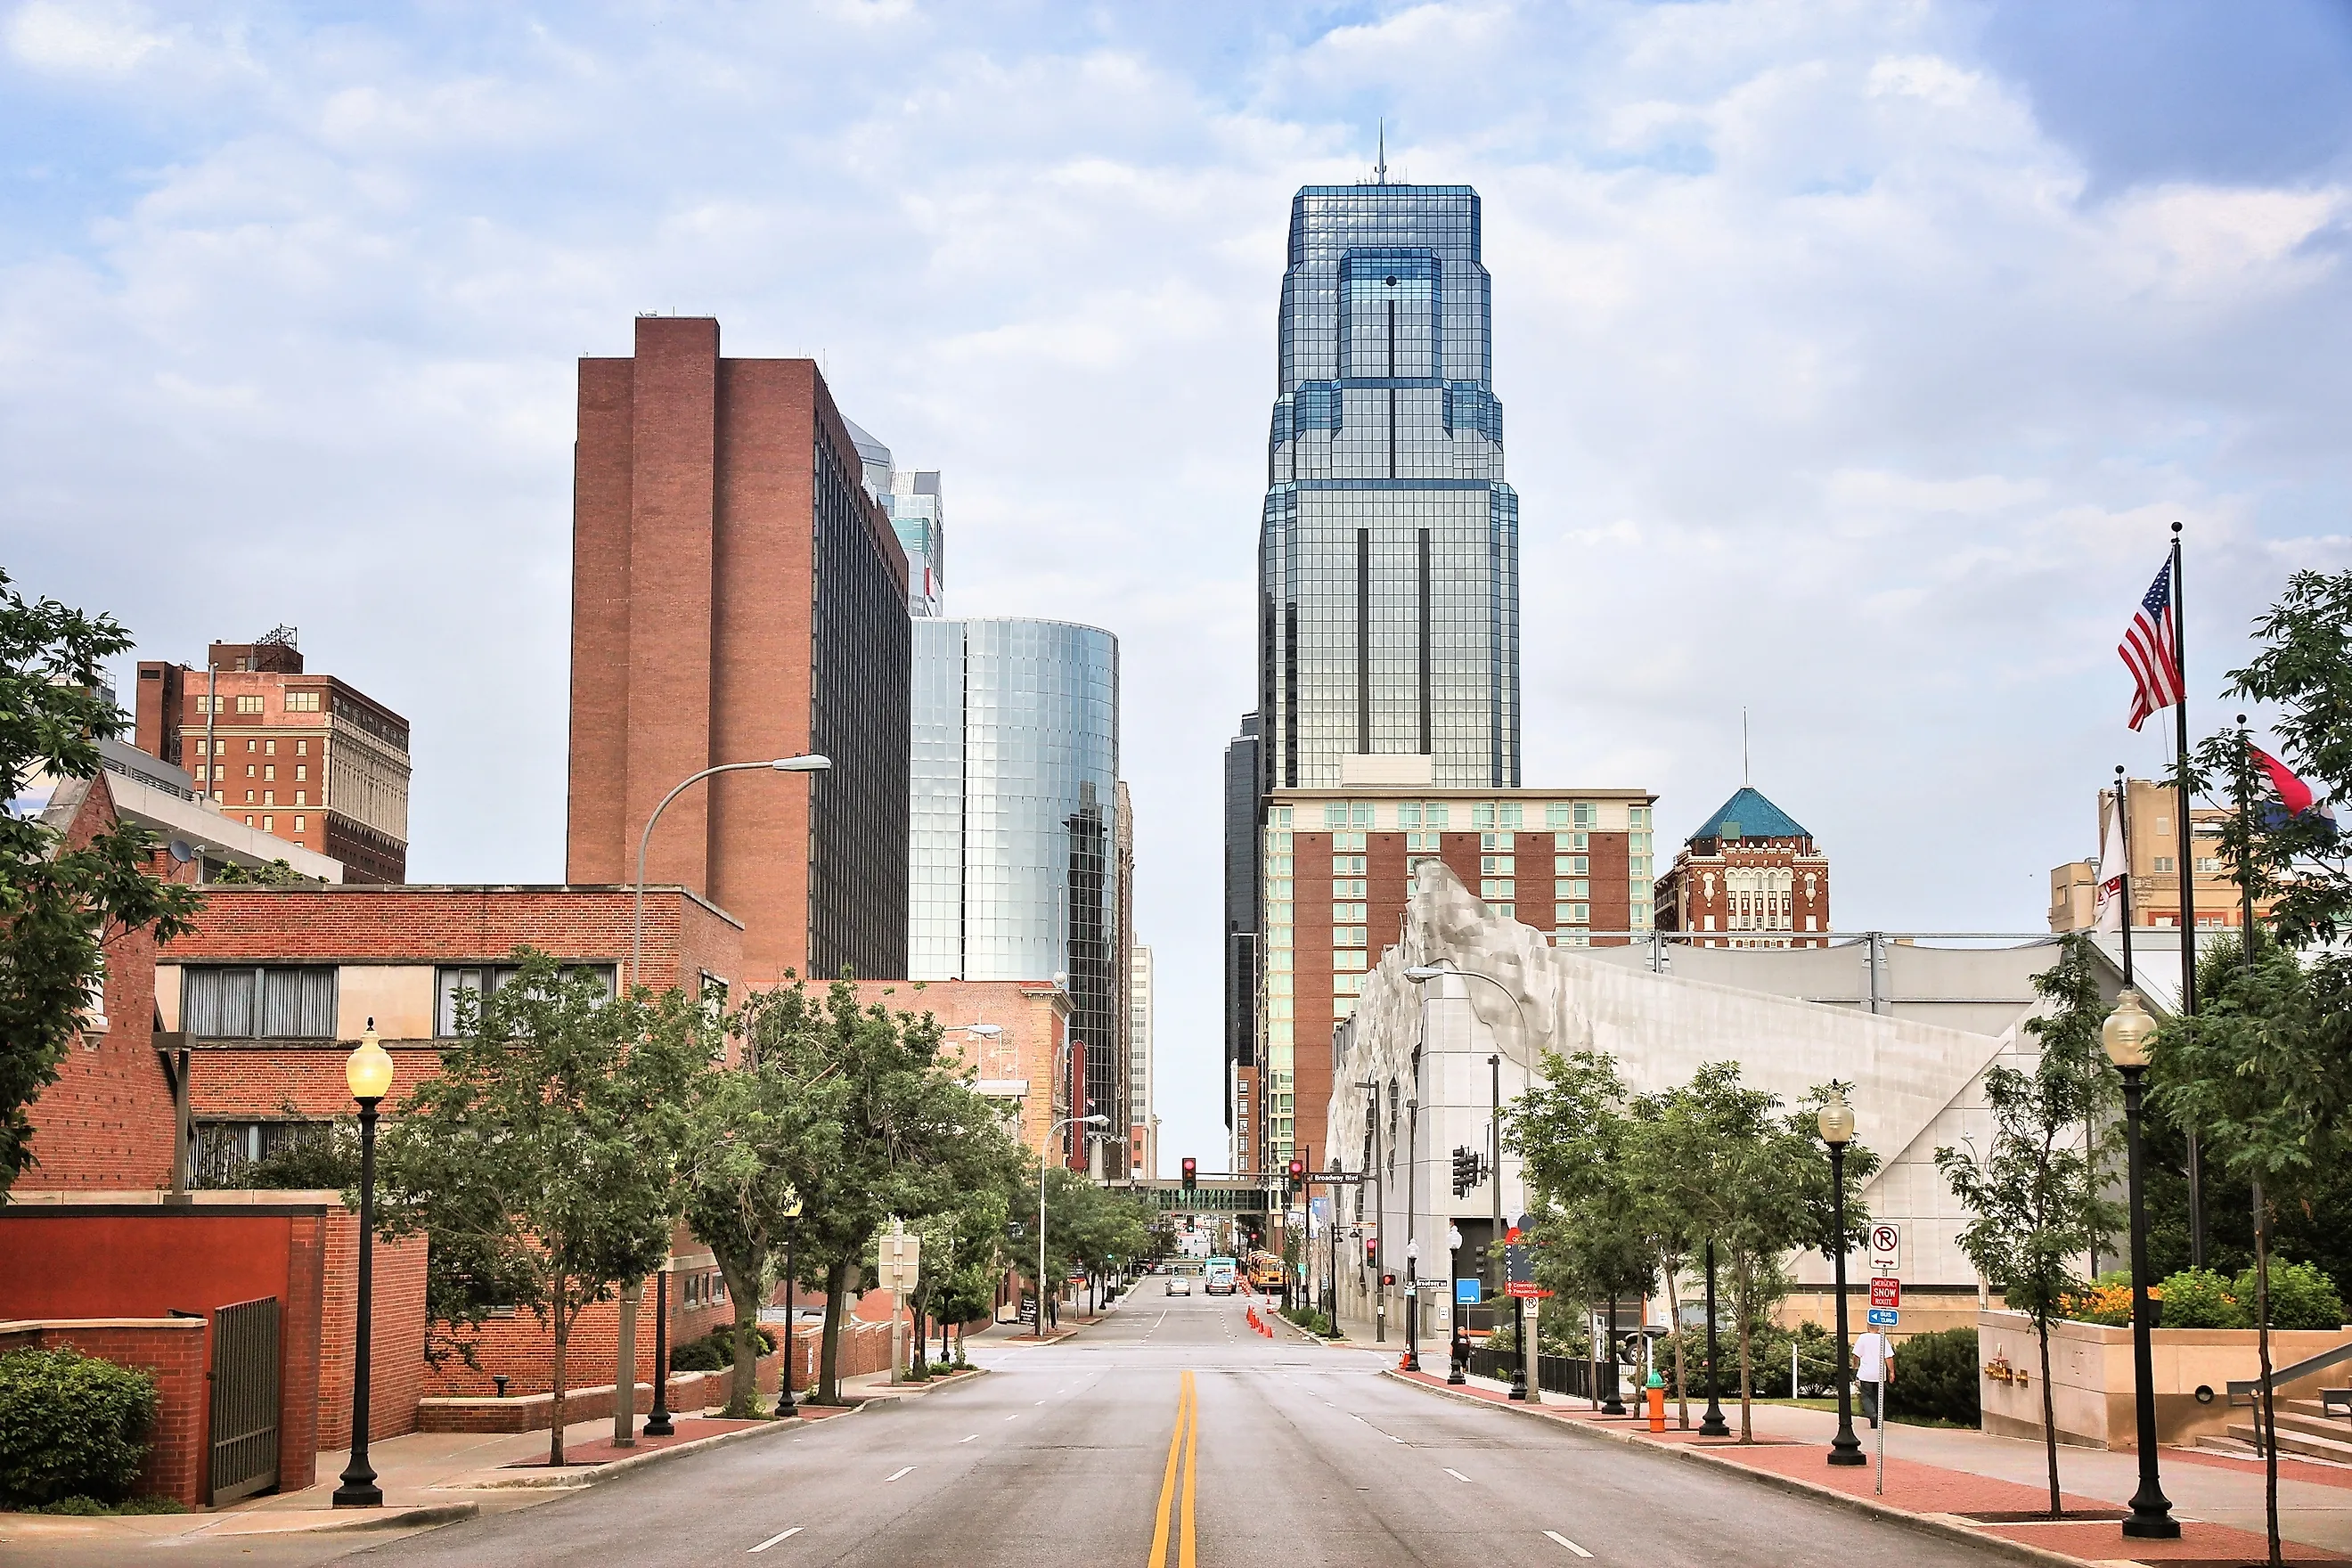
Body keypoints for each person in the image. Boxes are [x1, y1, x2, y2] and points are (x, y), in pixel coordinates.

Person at [1853, 1327, 1896, 1428]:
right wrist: (1892, 1371)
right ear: (1879, 1328)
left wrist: (1855, 1365)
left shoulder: (1863, 1338)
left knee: (1866, 1396)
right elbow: (1888, 1357)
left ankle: (1872, 1415)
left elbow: (1856, 1355)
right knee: (1878, 1397)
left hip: (1866, 1373)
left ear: (1868, 1327)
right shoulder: (1883, 1339)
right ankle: (1877, 1418)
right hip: (1880, 1374)